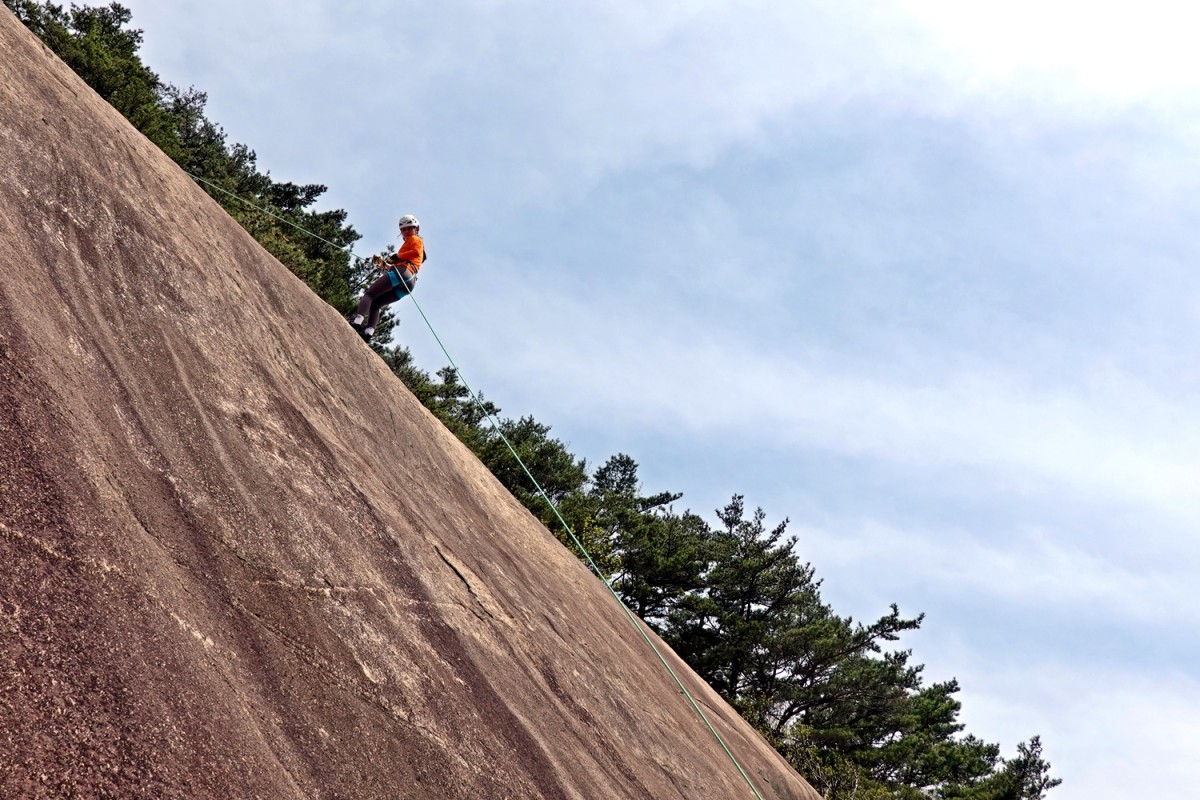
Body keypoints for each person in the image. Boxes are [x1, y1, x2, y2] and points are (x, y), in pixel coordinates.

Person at [350, 214, 426, 341]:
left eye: (409, 228)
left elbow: (416, 253)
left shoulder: (415, 239)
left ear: (416, 229)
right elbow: (396, 266)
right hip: (409, 282)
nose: (406, 231)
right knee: (376, 304)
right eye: (403, 229)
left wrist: (396, 256)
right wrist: (384, 264)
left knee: (369, 294)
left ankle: (357, 322)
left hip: (404, 272)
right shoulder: (409, 244)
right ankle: (368, 333)